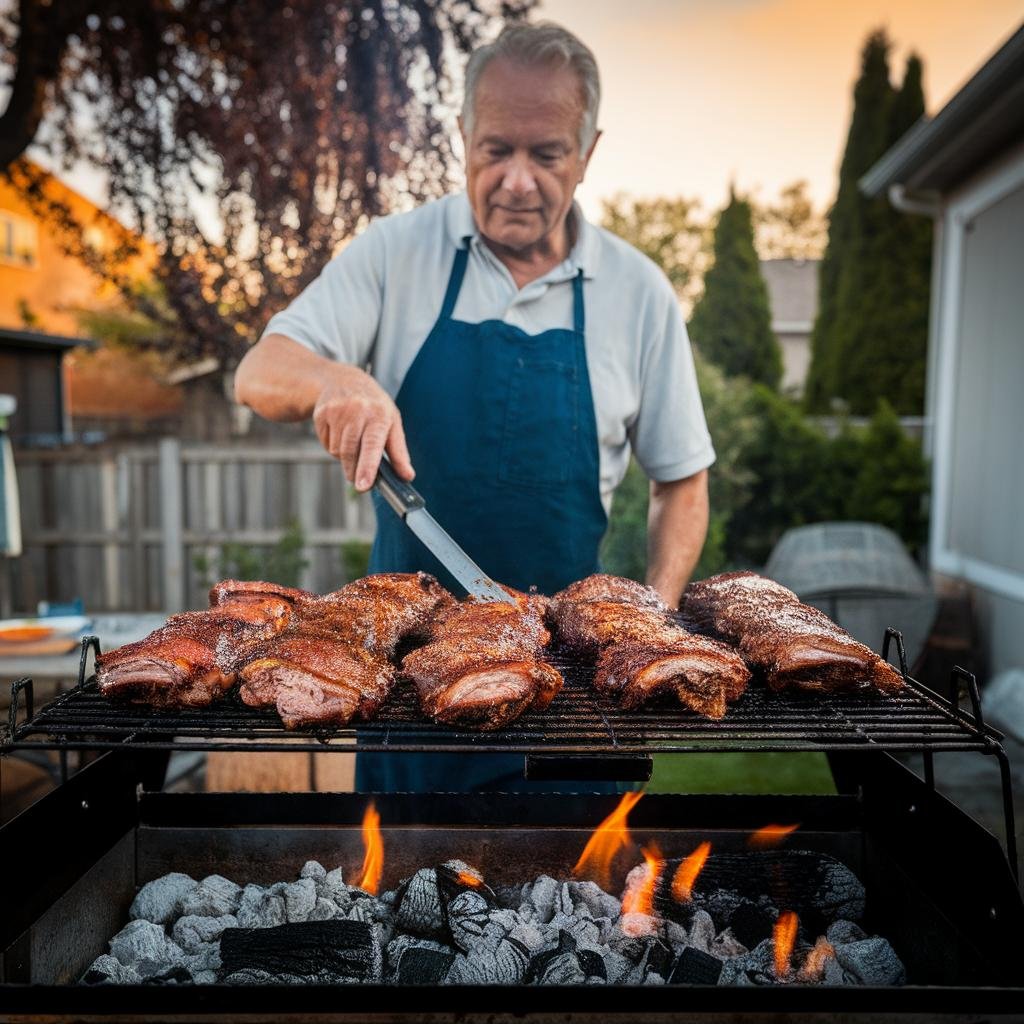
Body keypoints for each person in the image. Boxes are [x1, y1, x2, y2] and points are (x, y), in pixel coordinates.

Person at [234, 22, 715, 794]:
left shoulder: (639, 293)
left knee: (579, 903)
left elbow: (683, 483)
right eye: (496, 149)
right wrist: (335, 382)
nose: (518, 180)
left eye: (547, 153)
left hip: (568, 698)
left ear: (587, 154)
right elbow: (261, 370)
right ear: (462, 136)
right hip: (404, 692)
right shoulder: (397, 254)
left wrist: (645, 624)